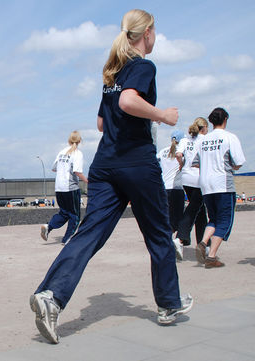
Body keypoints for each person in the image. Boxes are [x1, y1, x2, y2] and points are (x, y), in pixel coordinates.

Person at [29, 9, 193, 344]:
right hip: (136, 163)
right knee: (160, 235)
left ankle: (51, 296)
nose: (155, 37)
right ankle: (168, 304)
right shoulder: (142, 66)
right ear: (147, 32)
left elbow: (102, 124)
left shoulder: (112, 71)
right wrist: (162, 115)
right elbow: (130, 100)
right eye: (155, 32)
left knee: (89, 234)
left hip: (105, 166)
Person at [193, 107, 245, 268]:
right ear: (225, 120)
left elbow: (195, 163)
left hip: (206, 185)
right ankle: (212, 256)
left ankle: (203, 242)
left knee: (213, 218)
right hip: (223, 183)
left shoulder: (203, 140)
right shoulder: (229, 137)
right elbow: (238, 163)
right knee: (224, 221)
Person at [40, 131, 88, 245]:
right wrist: (87, 181)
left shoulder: (62, 152)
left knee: (64, 213)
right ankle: (67, 238)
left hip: (59, 188)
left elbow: (54, 168)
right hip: (70, 188)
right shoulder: (77, 153)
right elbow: (77, 171)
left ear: (69, 140)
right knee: (75, 215)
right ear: (79, 141)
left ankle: (48, 226)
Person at [172, 117, 209, 259]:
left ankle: (203, 244)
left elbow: (178, 154)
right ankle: (180, 238)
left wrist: (181, 164)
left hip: (186, 178)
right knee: (194, 209)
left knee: (199, 212)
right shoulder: (204, 140)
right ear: (204, 127)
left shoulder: (185, 140)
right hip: (200, 178)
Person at [157, 130, 185, 257]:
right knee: (178, 219)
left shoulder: (163, 151)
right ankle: (176, 241)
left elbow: (156, 164)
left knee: (166, 218)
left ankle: (165, 243)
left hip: (163, 188)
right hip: (176, 188)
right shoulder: (181, 151)